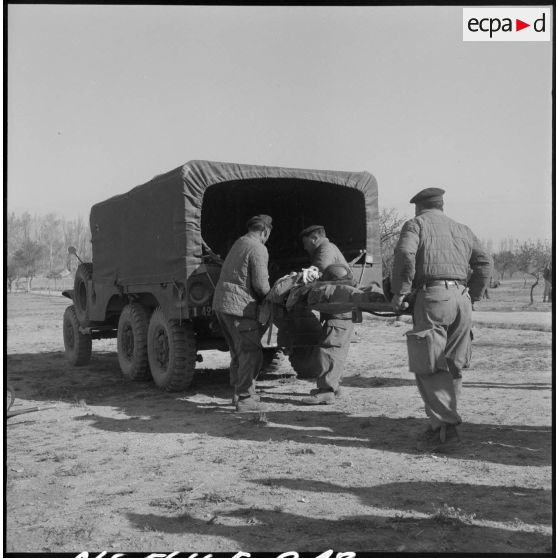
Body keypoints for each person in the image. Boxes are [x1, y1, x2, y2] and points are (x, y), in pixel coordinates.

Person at [391, 188, 492, 451]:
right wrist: (474, 295)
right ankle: (442, 425)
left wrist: (401, 292)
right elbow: (484, 262)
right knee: (453, 364)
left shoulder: (416, 224)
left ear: (419, 207)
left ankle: (445, 431)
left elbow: (405, 255)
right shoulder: (462, 228)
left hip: (434, 298)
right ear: (441, 205)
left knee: (430, 364)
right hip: (462, 299)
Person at [212, 215, 272, 411]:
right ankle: (246, 399)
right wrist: (272, 299)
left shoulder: (240, 242)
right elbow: (261, 284)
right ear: (265, 232)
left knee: (238, 352)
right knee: (251, 353)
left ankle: (239, 394)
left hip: (223, 306)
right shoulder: (258, 248)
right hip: (240, 308)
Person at [298, 225, 355, 405]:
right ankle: (334, 388)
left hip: (339, 309)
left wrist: (296, 280)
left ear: (315, 238)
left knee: (329, 348)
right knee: (335, 348)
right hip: (339, 308)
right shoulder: (329, 248)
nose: (305, 248)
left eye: (306, 243)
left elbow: (317, 271)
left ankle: (326, 391)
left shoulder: (325, 249)